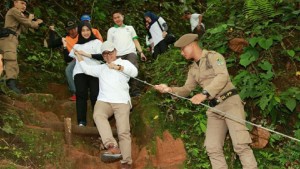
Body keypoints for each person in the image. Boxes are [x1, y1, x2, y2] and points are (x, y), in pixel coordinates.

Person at [154, 34, 257, 169]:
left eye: (182, 49)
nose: (181, 52)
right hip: (214, 108)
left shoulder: (214, 57)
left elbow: (223, 76)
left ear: (191, 44)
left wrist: (204, 94)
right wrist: (169, 89)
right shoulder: (193, 69)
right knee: (212, 147)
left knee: (240, 145)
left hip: (230, 102)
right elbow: (186, 89)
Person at [75, 41, 137, 169]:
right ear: (103, 56)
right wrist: (79, 57)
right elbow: (87, 69)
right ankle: (111, 146)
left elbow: (134, 72)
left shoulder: (124, 63)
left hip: (121, 101)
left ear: (115, 52)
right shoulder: (102, 68)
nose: (108, 56)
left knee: (123, 132)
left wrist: (118, 67)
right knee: (98, 114)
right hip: (105, 101)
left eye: (110, 53)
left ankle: (126, 162)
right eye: (105, 54)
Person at [0, 0, 43, 94]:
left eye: (25, 4)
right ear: (15, 3)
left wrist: (30, 20)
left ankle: (5, 84)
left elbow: (25, 29)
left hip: (12, 39)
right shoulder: (14, 11)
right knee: (11, 60)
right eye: (22, 3)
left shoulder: (20, 14)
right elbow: (28, 24)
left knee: (6, 61)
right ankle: (11, 85)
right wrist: (37, 23)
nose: (24, 6)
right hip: (9, 39)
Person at [69, 22, 103, 126]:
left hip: (94, 71)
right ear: (80, 32)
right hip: (80, 72)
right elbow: (68, 57)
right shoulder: (77, 45)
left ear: (91, 30)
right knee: (81, 95)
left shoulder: (97, 42)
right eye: (83, 30)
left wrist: (86, 54)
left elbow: (102, 56)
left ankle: (98, 121)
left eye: (87, 30)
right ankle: (81, 121)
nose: (86, 32)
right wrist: (64, 45)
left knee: (95, 95)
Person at [107, 9, 146, 96]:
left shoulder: (130, 28)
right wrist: (109, 58)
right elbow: (109, 45)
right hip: (117, 55)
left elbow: (135, 41)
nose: (117, 19)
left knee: (133, 69)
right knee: (119, 73)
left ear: (123, 17)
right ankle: (122, 92)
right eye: (114, 18)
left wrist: (141, 52)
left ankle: (135, 91)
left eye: (118, 17)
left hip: (130, 52)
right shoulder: (111, 30)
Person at [48, 19, 79, 101]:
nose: (72, 31)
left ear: (77, 28)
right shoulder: (65, 38)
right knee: (69, 70)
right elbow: (51, 44)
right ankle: (76, 93)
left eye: (74, 28)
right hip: (73, 60)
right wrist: (52, 32)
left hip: (85, 58)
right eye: (69, 29)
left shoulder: (82, 35)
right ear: (66, 30)